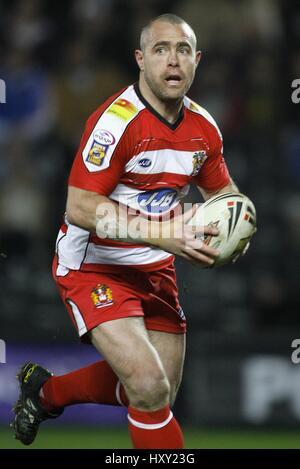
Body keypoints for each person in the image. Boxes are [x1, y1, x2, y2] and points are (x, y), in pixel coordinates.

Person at [12, 13, 242, 449]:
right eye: (160, 50)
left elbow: (223, 196)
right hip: (94, 266)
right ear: (140, 59)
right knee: (149, 385)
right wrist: (164, 234)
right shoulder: (116, 123)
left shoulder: (204, 129)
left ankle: (44, 394)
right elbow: (79, 207)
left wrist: (235, 226)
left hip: (155, 268)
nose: (172, 61)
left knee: (159, 390)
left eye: (183, 50)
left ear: (197, 60)